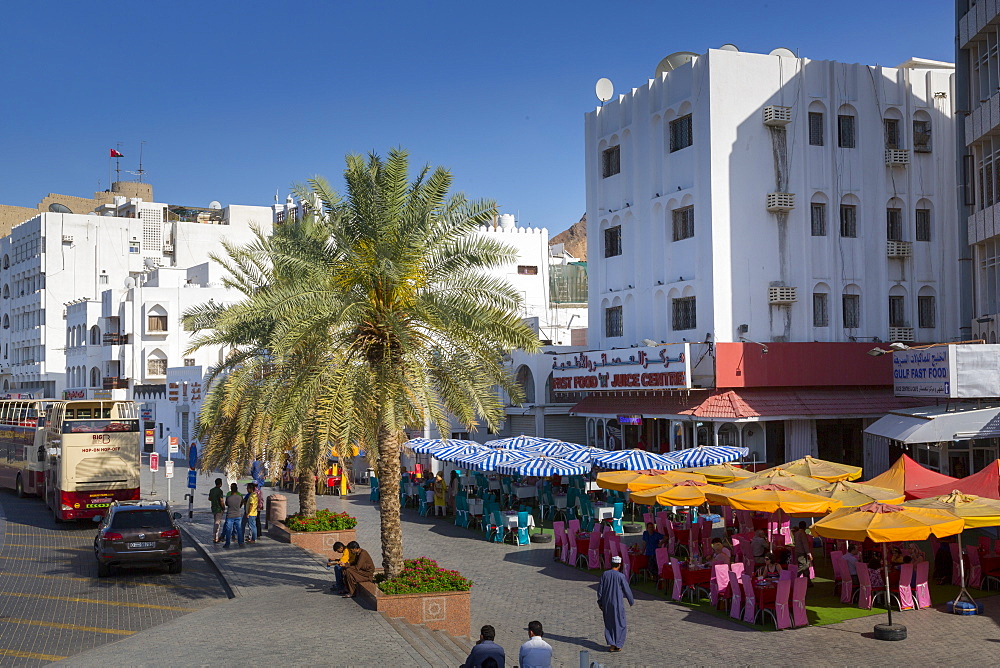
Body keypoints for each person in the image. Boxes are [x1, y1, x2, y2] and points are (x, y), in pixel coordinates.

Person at [596, 555, 634, 652]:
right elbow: (627, 589)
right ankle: (618, 643)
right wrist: (631, 600)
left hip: (607, 602)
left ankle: (612, 644)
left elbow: (600, 590)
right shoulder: (621, 576)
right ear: (619, 565)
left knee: (609, 623)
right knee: (620, 623)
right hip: (617, 603)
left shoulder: (605, 574)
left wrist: (600, 601)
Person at [221, 483, 244, 548]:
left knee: (228, 530)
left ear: (231, 489)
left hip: (230, 515)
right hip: (238, 515)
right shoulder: (240, 497)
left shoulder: (228, 497)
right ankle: (240, 543)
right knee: (239, 529)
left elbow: (226, 504)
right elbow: (241, 503)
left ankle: (227, 543)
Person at [208, 478, 225, 543]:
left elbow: (209, 498)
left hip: (213, 508)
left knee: (215, 521)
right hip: (218, 508)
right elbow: (221, 500)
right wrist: (223, 507)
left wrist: (214, 499)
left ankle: (215, 537)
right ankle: (216, 538)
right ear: (220, 484)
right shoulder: (220, 491)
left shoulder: (211, 490)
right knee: (217, 523)